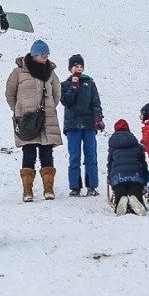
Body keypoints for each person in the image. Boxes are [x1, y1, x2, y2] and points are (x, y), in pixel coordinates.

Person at [5, 40, 62, 202]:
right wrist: (19, 109)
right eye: (43, 54)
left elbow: (57, 94)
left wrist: (49, 108)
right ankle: (27, 191)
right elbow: (10, 94)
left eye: (47, 55)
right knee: (28, 153)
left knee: (46, 152)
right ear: (35, 54)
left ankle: (48, 189)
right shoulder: (18, 72)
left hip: (46, 119)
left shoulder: (50, 73)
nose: (46, 57)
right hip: (26, 119)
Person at [60, 54, 104, 197]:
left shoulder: (90, 83)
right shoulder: (65, 85)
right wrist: (73, 86)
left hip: (88, 125)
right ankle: (75, 187)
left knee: (91, 155)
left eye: (80, 66)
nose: (78, 69)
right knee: (74, 156)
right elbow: (66, 101)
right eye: (75, 66)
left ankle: (92, 186)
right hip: (72, 125)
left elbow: (95, 102)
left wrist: (98, 118)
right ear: (70, 69)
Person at [107, 119, 149, 216]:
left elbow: (110, 165)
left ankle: (120, 200)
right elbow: (143, 164)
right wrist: (144, 181)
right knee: (135, 191)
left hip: (118, 177)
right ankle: (134, 199)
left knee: (120, 191)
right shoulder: (137, 146)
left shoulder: (113, 148)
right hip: (136, 177)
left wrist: (110, 178)